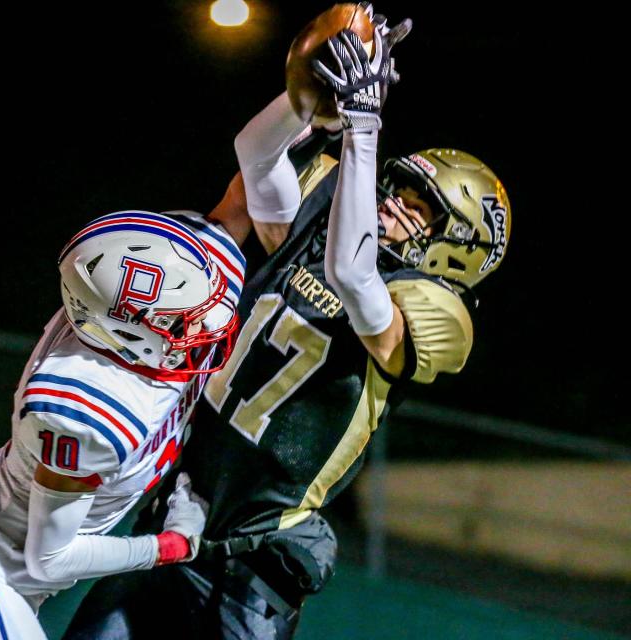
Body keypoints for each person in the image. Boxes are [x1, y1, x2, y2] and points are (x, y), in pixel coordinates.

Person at [64, 8, 511, 640]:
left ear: (457, 247)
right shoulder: (330, 211)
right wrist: (309, 92)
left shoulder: (438, 309)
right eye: (400, 188)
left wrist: (364, 124)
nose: (394, 203)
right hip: (177, 509)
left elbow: (355, 277)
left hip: (257, 557)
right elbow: (255, 152)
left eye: (420, 208)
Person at [0, 181, 250, 635]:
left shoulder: (175, 292)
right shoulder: (82, 410)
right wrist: (170, 546)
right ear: (125, 333)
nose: (206, 322)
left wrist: (312, 116)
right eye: (176, 319)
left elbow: (244, 192)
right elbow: (50, 559)